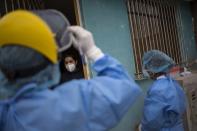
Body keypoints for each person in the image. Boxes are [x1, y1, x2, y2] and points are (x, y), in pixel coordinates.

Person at [0, 10, 142, 131]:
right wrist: (93, 51)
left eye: (70, 61)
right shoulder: (72, 100)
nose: (69, 64)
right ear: (53, 64)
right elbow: (122, 85)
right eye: (66, 61)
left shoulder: (7, 113)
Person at [141, 50, 187, 131]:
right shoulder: (173, 83)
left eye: (146, 67)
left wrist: (143, 128)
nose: (145, 70)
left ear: (152, 70)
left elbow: (151, 121)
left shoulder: (156, 90)